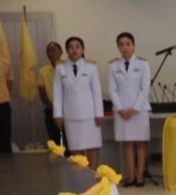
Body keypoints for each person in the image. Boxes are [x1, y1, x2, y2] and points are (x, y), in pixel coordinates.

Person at [53, 36, 105, 167]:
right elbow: (58, 93)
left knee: (92, 147)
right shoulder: (60, 68)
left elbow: (97, 92)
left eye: (77, 47)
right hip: (71, 116)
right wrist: (57, 114)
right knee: (76, 149)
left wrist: (99, 113)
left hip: (90, 116)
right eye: (71, 47)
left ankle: (92, 176)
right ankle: (80, 177)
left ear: (83, 49)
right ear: (67, 50)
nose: (74, 50)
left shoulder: (91, 67)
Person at [108, 32, 152, 187]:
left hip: (139, 110)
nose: (125, 47)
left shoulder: (143, 64)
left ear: (133, 46)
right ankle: (131, 176)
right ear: (118, 47)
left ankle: (140, 177)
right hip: (122, 111)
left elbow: (145, 88)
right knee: (127, 144)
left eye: (128, 44)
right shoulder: (113, 66)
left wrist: (135, 108)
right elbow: (112, 89)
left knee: (140, 143)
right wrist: (120, 109)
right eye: (121, 45)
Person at [38, 41, 68, 150]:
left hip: (69, 110)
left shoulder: (68, 67)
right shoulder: (42, 71)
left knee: (70, 142)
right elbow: (42, 94)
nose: (51, 53)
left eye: (53, 50)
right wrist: (55, 108)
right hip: (51, 110)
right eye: (48, 51)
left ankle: (71, 161)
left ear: (61, 52)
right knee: (55, 142)